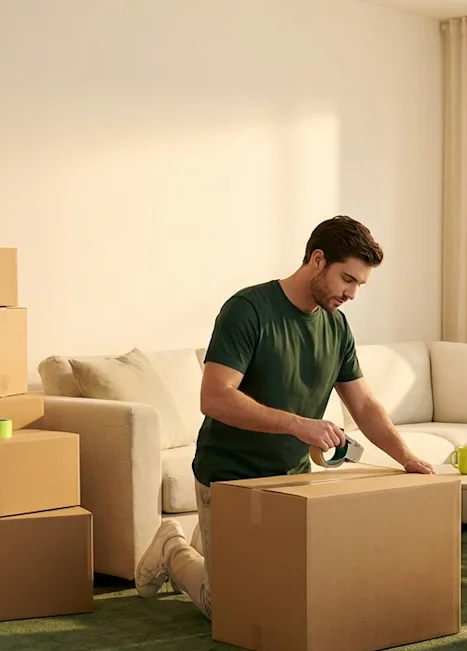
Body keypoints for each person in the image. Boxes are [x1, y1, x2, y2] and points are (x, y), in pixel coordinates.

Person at [133, 215, 437, 618]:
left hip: (292, 481)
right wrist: (299, 424)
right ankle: (172, 546)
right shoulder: (248, 310)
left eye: (359, 284)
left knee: (293, 591)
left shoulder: (337, 326)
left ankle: (208, 544)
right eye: (347, 279)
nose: (352, 294)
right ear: (316, 259)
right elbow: (215, 398)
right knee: (227, 606)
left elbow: (363, 406)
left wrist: (406, 457)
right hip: (231, 476)